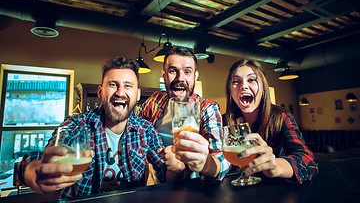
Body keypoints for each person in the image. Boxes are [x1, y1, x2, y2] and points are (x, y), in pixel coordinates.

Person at [17, 57, 184, 198]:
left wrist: (175, 168)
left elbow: (164, 172)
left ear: (138, 94)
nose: (120, 92)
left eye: (128, 85)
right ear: (100, 91)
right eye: (113, 84)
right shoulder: (77, 125)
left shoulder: (145, 130)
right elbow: (40, 158)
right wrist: (33, 170)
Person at [137, 47, 230, 181]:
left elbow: (222, 160)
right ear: (164, 76)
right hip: (152, 181)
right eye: (173, 71)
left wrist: (205, 164)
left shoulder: (207, 108)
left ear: (195, 76)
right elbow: (135, 125)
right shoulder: (155, 100)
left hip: (190, 186)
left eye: (187, 71)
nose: (180, 78)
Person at [222, 59, 318, 183]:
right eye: (236, 81)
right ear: (230, 90)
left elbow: (308, 161)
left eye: (251, 79)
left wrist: (276, 167)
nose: (244, 86)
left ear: (263, 87)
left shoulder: (281, 117)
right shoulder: (224, 122)